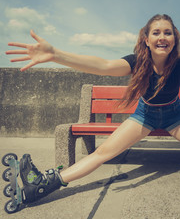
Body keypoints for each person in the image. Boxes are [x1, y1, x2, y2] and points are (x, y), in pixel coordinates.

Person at [6, 14, 180, 203]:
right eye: (156, 32)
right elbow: (103, 66)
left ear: (174, 39)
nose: (162, 37)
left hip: (175, 115)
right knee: (102, 153)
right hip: (145, 115)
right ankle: (40, 186)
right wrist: (56, 55)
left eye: (167, 33)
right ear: (147, 40)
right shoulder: (137, 62)